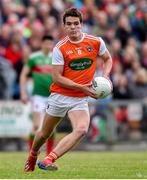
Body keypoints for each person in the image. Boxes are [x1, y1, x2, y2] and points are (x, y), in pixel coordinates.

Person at [24, 7, 112, 172]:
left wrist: (106, 75)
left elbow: (107, 58)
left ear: (82, 24)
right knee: (44, 133)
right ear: (64, 26)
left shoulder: (96, 41)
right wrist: (82, 88)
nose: (73, 27)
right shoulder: (60, 47)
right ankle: (33, 154)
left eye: (76, 24)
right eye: (69, 24)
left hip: (79, 98)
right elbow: (57, 78)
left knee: (81, 129)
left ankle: (49, 159)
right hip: (60, 95)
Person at [20, 35, 55, 154]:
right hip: (38, 96)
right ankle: (32, 152)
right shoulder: (34, 58)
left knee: (52, 128)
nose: (48, 46)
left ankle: (48, 155)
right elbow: (24, 75)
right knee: (36, 126)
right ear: (42, 44)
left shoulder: (55, 58)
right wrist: (23, 92)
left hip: (53, 96)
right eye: (46, 43)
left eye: (50, 44)